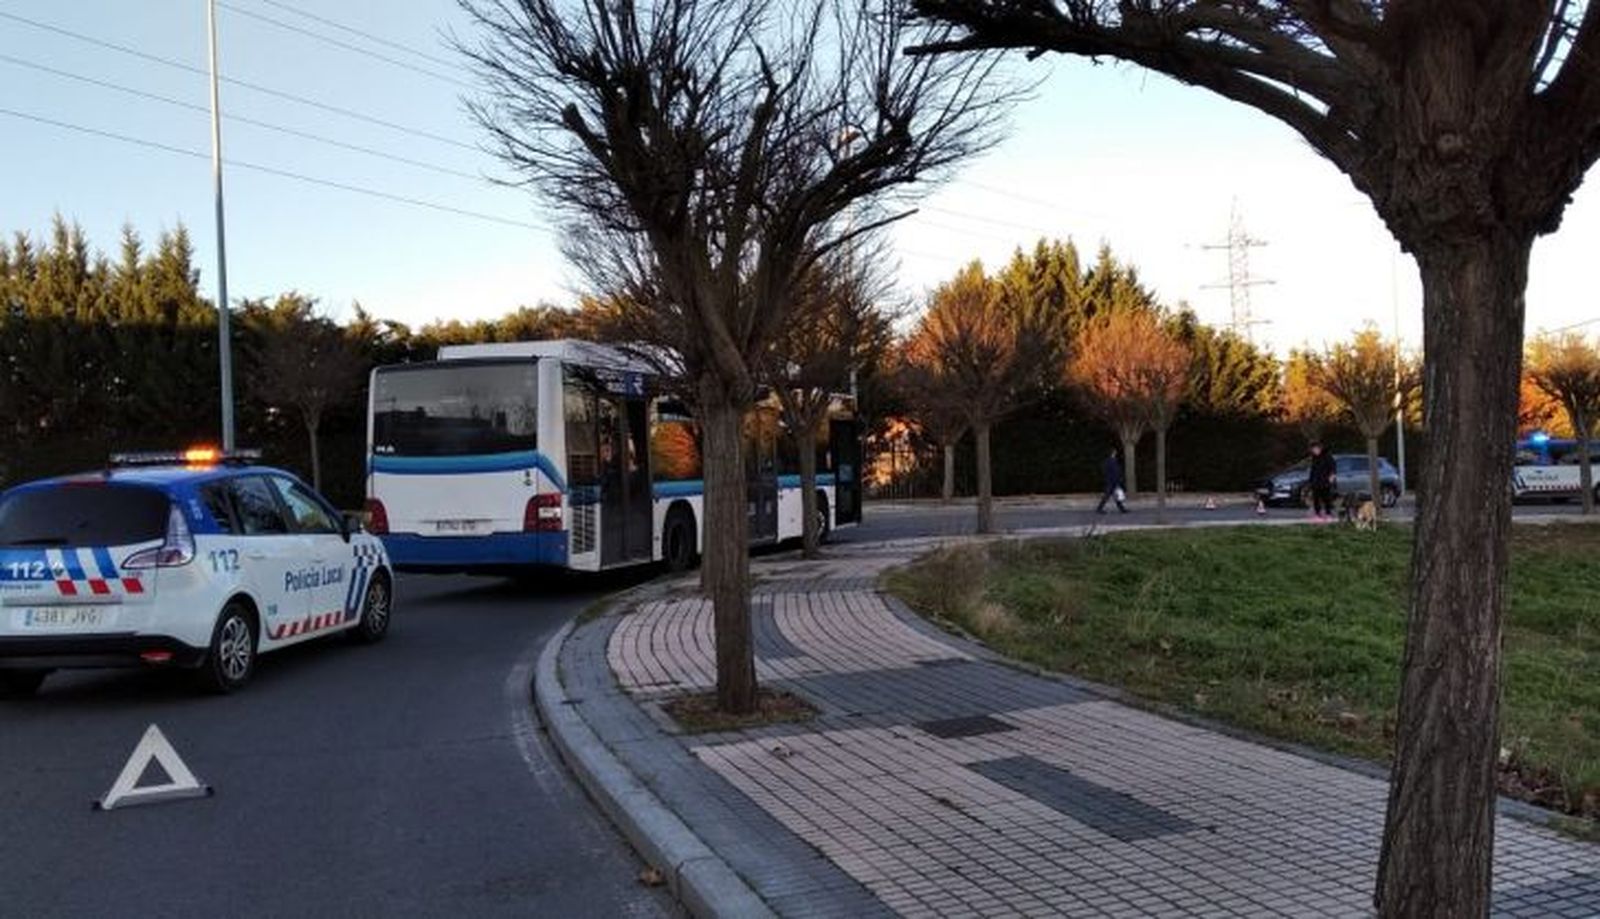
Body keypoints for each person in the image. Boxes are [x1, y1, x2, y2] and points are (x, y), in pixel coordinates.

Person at [1308, 442, 1337, 521]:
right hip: (1315, 482)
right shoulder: (1314, 458)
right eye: (1313, 449)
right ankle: (1317, 514)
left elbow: (1333, 467)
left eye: (1316, 449)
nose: (1314, 451)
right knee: (1316, 499)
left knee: (1326, 498)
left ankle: (1328, 514)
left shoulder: (1327, 457)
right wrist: (1311, 481)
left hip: (1325, 481)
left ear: (1320, 448)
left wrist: (1332, 476)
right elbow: (1313, 470)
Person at [1097, 447, 1128, 514]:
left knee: (1113, 495)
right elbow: (1116, 472)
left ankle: (1122, 509)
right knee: (1109, 495)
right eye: (1115, 452)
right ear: (1113, 453)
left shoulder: (1107, 461)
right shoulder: (1113, 461)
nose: (1116, 453)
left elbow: (1104, 470)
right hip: (1113, 481)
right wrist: (1118, 480)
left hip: (1110, 481)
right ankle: (1099, 508)